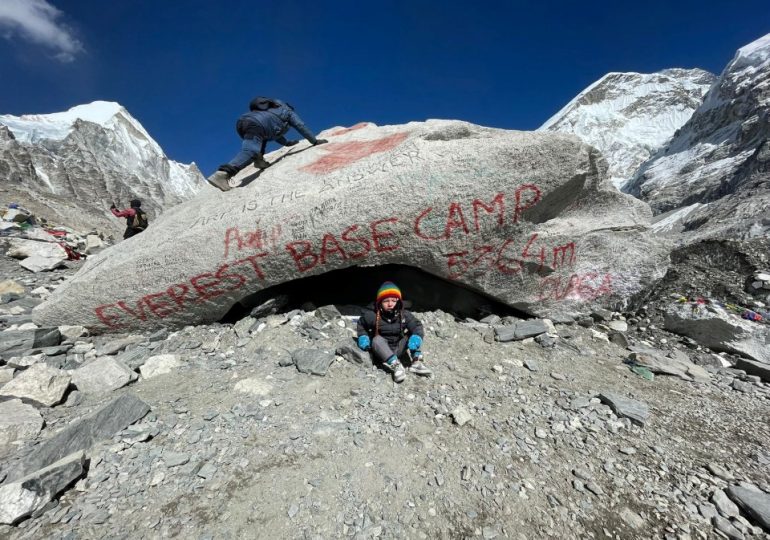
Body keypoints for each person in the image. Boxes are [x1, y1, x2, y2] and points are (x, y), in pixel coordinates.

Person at [207, 97, 328, 192]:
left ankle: (259, 161)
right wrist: (315, 141)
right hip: (257, 125)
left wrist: (286, 143)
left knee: (259, 141)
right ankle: (223, 174)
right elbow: (300, 126)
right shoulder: (288, 112)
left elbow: (274, 132)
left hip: (244, 123)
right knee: (251, 150)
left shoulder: (270, 111)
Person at [356, 281, 432, 383]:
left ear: (398, 301)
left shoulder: (404, 314)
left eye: (393, 300)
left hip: (398, 347)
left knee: (413, 334)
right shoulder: (372, 316)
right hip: (382, 352)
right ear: (379, 302)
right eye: (386, 301)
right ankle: (396, 366)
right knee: (376, 340)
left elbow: (417, 326)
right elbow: (361, 325)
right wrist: (363, 337)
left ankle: (416, 362)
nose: (390, 304)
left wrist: (416, 337)